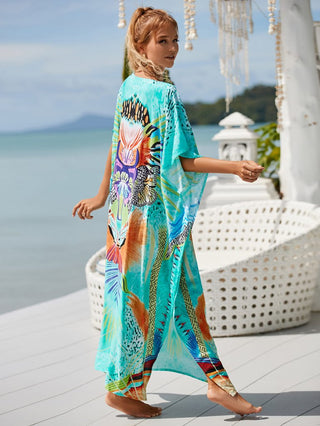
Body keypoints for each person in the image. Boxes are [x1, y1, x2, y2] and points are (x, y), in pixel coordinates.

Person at [72, 7, 263, 419]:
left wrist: (104, 196)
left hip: (124, 219)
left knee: (142, 299)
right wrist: (235, 167)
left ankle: (204, 385)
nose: (173, 49)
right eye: (163, 41)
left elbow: (119, 144)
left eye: (175, 41)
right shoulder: (162, 95)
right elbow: (183, 161)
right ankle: (127, 388)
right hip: (154, 220)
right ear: (140, 46)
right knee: (170, 296)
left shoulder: (129, 87)